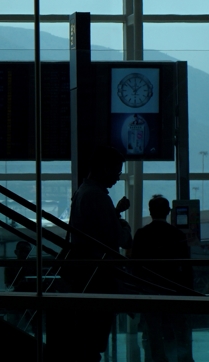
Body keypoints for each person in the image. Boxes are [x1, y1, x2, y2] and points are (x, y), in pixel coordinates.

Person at [49, 146, 132, 361]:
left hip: (85, 274)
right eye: (117, 171)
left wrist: (114, 214)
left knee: (85, 336)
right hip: (99, 277)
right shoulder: (97, 197)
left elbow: (93, 228)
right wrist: (124, 226)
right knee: (95, 335)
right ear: (105, 168)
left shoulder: (82, 193)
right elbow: (116, 238)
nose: (117, 177)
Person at [133, 195, 193, 362]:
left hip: (149, 288)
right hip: (173, 288)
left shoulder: (142, 234)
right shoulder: (177, 234)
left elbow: (135, 266)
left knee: (153, 330)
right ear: (168, 211)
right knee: (177, 327)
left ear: (150, 211)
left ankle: (156, 358)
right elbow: (186, 266)